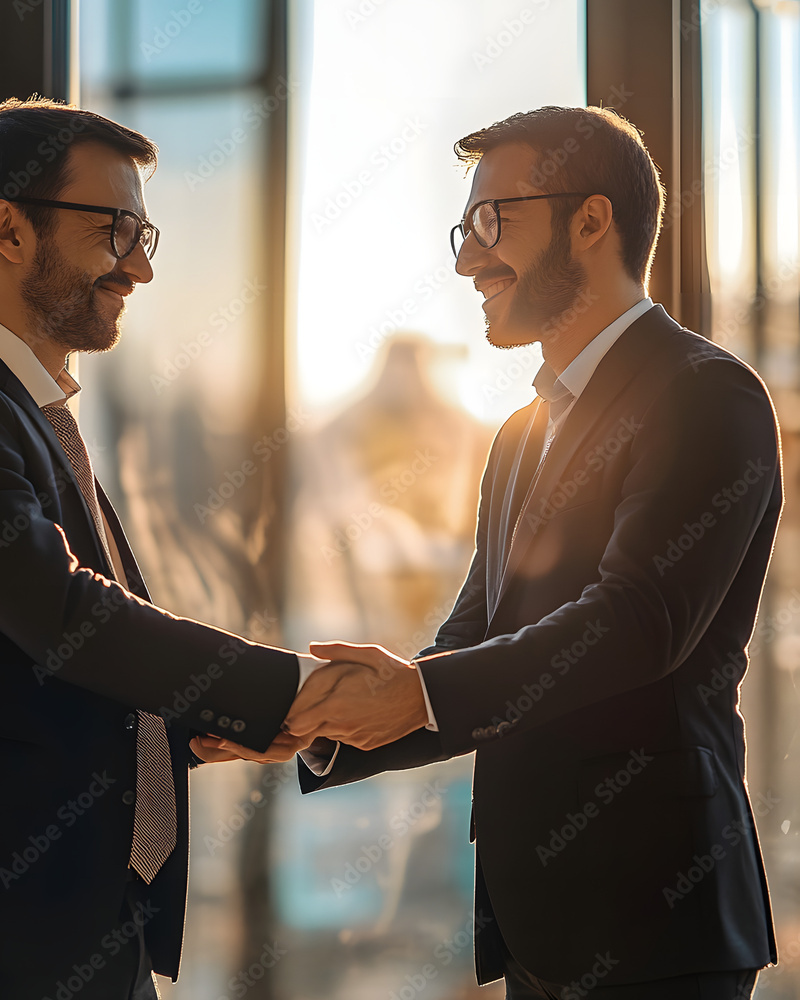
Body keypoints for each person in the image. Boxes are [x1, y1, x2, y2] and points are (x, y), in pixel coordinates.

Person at [274, 106, 780, 997]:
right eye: (464, 229)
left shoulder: (707, 395)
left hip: (658, 920)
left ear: (591, 220)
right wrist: (316, 726)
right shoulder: (518, 434)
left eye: (491, 221)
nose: (467, 259)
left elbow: (637, 622)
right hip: (537, 924)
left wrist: (418, 692)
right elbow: (473, 641)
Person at [0, 97, 317, 1000]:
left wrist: (198, 726)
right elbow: (69, 619)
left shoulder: (31, 417)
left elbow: (30, 671)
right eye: (115, 231)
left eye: (146, 235)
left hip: (80, 932)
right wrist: (290, 686)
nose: (138, 268)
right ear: (7, 229)